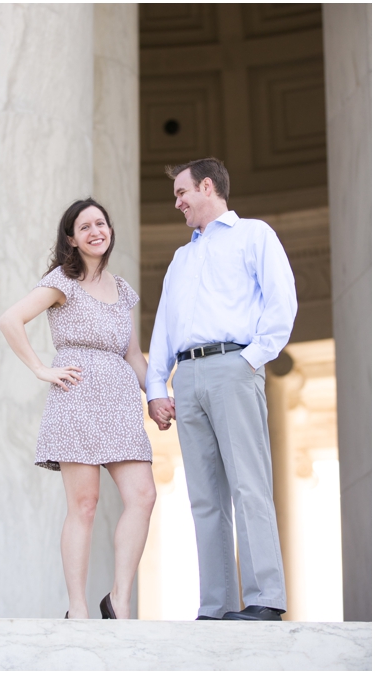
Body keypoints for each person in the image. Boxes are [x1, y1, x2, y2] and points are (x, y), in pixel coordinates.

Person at [146, 157, 297, 621]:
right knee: (204, 498)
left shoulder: (254, 235)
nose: (178, 203)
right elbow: (164, 326)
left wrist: (250, 360)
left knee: (250, 486)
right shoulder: (181, 257)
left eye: (182, 193)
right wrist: (157, 386)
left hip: (234, 363)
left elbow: (282, 301)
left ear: (207, 186)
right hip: (187, 378)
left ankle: (265, 599)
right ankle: (215, 606)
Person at [0, 198, 161, 620]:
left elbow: (134, 355)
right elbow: (9, 320)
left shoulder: (122, 289)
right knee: (84, 504)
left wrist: (157, 395)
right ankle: (77, 608)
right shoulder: (62, 282)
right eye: (84, 226)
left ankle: (119, 599)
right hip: (79, 396)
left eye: (100, 223)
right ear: (71, 238)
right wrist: (40, 369)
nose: (95, 231)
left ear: (109, 231)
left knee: (142, 495)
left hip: (121, 401)